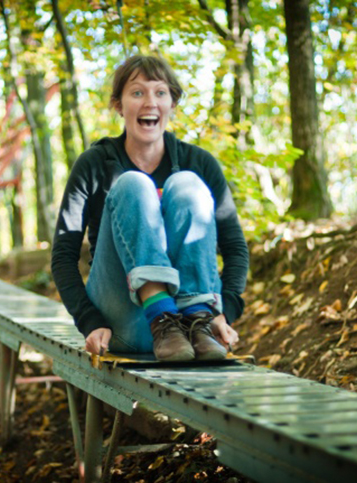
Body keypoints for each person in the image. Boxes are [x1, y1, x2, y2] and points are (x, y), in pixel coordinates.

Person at [51, 55, 249, 362]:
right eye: (137, 92)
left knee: (187, 184)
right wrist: (90, 321)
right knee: (133, 184)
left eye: (160, 92)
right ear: (119, 105)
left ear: (172, 103)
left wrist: (227, 312)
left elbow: (235, 247)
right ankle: (161, 315)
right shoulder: (94, 164)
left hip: (194, 332)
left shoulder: (199, 163)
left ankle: (198, 317)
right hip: (126, 323)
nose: (150, 102)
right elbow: (63, 256)